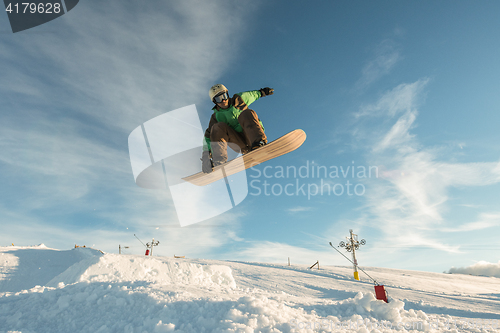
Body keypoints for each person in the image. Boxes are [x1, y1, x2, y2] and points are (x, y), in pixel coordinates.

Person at [201, 84, 274, 173]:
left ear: (228, 94)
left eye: (224, 96)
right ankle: (218, 161)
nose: (223, 100)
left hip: (252, 134)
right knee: (217, 128)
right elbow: (208, 138)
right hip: (239, 143)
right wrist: (206, 157)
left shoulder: (239, 99)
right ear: (215, 102)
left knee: (246, 113)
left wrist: (262, 92)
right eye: (218, 99)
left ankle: (259, 143)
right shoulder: (216, 117)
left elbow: (252, 95)